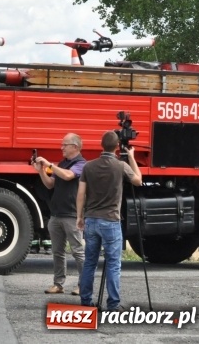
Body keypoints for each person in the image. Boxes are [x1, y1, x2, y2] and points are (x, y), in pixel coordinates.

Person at [77, 131, 143, 311]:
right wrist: (132, 157)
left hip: (91, 220)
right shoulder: (120, 166)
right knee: (113, 264)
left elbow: (81, 194)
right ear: (116, 148)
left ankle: (85, 301)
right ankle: (113, 304)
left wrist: (79, 217)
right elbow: (138, 181)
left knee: (89, 262)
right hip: (111, 221)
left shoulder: (88, 167)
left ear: (101, 145)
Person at [33, 133, 86, 296]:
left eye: (65, 144)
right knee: (57, 251)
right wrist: (42, 171)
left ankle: (83, 284)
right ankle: (58, 284)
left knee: (77, 251)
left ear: (75, 147)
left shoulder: (81, 164)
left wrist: (49, 165)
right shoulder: (63, 164)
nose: (61, 147)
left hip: (71, 214)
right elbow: (50, 184)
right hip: (56, 214)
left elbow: (68, 175)